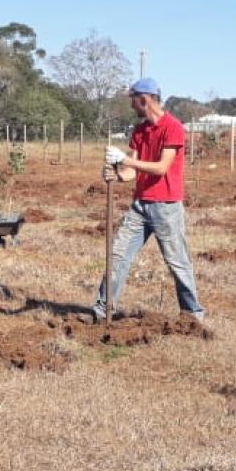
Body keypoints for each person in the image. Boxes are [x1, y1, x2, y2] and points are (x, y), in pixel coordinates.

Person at [93, 78, 205, 323]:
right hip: (140, 206)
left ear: (144, 99)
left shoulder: (172, 127)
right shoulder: (140, 130)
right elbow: (134, 171)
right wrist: (118, 175)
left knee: (177, 261)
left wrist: (125, 160)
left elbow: (161, 168)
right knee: (118, 255)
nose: (131, 104)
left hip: (166, 207)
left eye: (132, 98)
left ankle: (192, 314)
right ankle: (103, 310)